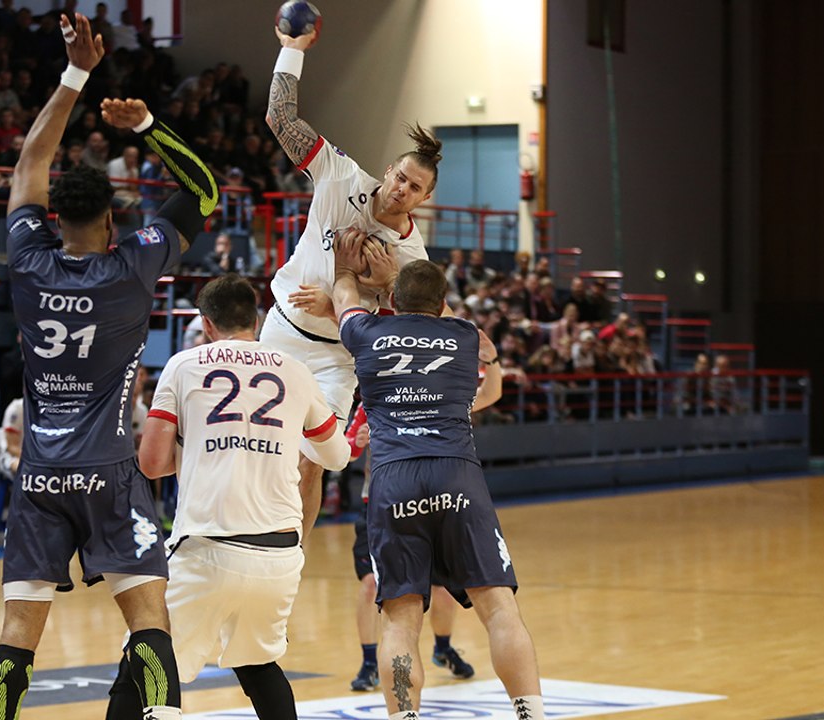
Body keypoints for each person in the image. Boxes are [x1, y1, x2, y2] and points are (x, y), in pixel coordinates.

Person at [0, 14, 219, 720]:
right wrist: (145, 125)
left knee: (16, 636)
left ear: (53, 219)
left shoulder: (29, 259)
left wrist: (74, 75)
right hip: (109, 474)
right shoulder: (133, 267)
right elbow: (203, 189)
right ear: (112, 225)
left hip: (40, 476)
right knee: (149, 625)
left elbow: (29, 163)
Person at [329, 234, 545, 720]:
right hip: (456, 474)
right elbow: (473, 340)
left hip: (393, 479)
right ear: (443, 300)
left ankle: (405, 716)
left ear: (393, 298)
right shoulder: (464, 335)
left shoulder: (367, 333)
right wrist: (397, 281)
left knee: (400, 621)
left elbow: (343, 298)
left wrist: (346, 268)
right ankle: (530, 714)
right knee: (500, 609)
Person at [138, 274, 349, 720]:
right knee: (259, 666)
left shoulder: (183, 365)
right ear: (257, 320)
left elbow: (152, 464)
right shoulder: (295, 370)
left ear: (206, 324)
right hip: (278, 555)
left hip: (207, 548)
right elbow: (335, 456)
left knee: (146, 660)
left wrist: (202, 449)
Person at [263, 24, 445, 539]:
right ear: (387, 171)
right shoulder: (340, 173)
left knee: (311, 465)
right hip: (282, 331)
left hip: (338, 358)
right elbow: (280, 118)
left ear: (424, 199)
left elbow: (409, 330)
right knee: (261, 449)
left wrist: (353, 302)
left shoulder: (411, 257)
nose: (402, 190)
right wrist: (291, 50)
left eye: (415, 188)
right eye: (401, 177)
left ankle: (292, 559)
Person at [345, 405, 482, 693]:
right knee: (371, 584)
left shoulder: (434, 398)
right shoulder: (371, 401)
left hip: (427, 504)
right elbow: (345, 452)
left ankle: (443, 647)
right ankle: (368, 662)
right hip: (379, 506)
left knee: (442, 588)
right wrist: (356, 442)